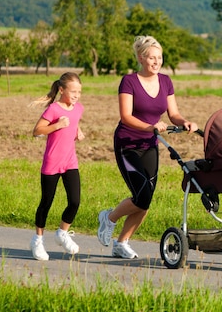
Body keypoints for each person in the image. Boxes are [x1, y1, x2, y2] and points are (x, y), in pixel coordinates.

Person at [97, 35, 197, 259]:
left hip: (150, 144)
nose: (156, 62)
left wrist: (185, 122)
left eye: (159, 58)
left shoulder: (166, 81)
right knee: (141, 195)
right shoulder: (129, 81)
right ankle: (109, 218)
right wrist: (150, 125)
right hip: (128, 144)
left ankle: (121, 243)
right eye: (152, 57)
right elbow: (125, 117)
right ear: (141, 58)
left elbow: (173, 114)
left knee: (146, 200)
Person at [29, 72, 85, 261]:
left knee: (75, 201)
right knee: (46, 202)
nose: (77, 95)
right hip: (52, 161)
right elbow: (37, 131)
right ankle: (37, 240)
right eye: (73, 91)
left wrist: (77, 130)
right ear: (61, 90)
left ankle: (62, 233)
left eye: (79, 91)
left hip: (70, 161)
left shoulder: (78, 108)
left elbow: (74, 121)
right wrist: (57, 125)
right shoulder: (53, 109)